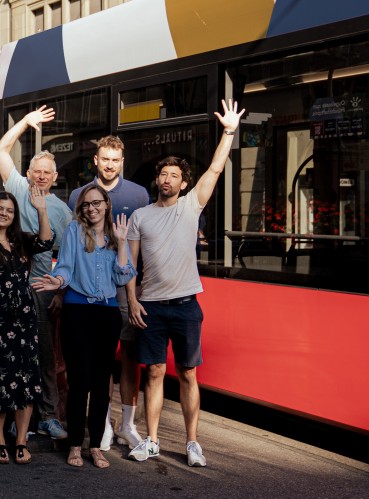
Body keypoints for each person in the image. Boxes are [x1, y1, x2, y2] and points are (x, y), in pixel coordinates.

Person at [126, 99, 244, 467]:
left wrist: (229, 132)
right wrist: (132, 300)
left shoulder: (191, 206)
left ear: (184, 182)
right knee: (154, 373)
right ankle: (152, 440)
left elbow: (215, 168)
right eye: (163, 174)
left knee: (189, 373)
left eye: (174, 175)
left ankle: (193, 443)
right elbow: (128, 265)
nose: (167, 179)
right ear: (157, 180)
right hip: (150, 306)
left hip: (186, 306)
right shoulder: (140, 217)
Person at [33, 184, 135, 469]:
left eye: (96, 203)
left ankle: (96, 447)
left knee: (102, 384)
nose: (91, 209)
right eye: (86, 204)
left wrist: (122, 243)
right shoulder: (74, 231)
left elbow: (122, 277)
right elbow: (65, 266)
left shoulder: (116, 235)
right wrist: (57, 281)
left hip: (108, 313)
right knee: (79, 381)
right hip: (77, 311)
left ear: (106, 204)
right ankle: (76, 445)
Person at [67, 135, 151, 451]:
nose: (110, 165)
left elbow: (141, 244)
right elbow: (72, 247)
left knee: (128, 354)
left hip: (125, 284)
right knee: (94, 363)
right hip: (88, 293)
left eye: (115, 160)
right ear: (96, 160)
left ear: (122, 162)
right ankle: (101, 423)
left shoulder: (139, 194)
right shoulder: (79, 195)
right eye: (105, 159)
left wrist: (134, 294)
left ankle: (127, 424)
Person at [0, 105, 73, 440]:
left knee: (44, 356)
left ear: (55, 177)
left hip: (41, 289)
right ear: (28, 173)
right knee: (13, 354)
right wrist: (25, 123)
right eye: (37, 171)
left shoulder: (62, 211)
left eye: (47, 173)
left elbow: (68, 258)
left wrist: (59, 293)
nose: (41, 176)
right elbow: (1, 150)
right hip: (10, 286)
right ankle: (17, 416)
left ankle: (48, 416)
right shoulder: (16, 187)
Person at [0, 190, 53, 465]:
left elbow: (46, 242)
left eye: (9, 210)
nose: (4, 213)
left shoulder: (21, 240)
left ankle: (21, 440)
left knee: (26, 378)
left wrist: (41, 209)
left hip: (25, 319)